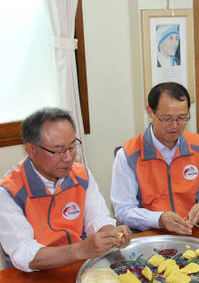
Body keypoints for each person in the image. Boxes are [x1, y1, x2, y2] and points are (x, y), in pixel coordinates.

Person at [0, 108, 132, 272]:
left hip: (78, 266)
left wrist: (112, 235)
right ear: (31, 150)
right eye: (58, 151)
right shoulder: (8, 191)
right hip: (33, 276)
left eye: (71, 147)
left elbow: (98, 218)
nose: (68, 158)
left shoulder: (81, 174)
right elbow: (23, 253)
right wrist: (80, 250)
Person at [111, 82, 199, 235]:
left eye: (182, 118)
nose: (175, 125)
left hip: (191, 230)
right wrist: (159, 219)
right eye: (167, 118)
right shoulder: (128, 155)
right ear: (150, 112)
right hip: (152, 233)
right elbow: (123, 210)